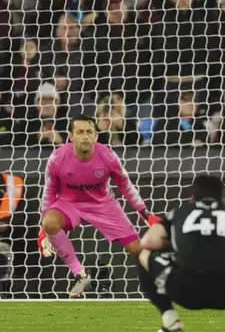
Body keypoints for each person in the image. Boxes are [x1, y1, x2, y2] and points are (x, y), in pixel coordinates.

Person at [37, 114, 161, 297]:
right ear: (71, 135)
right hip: (69, 204)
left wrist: (145, 213)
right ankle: (80, 274)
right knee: (50, 223)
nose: (85, 136)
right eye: (80, 132)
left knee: (137, 249)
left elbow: (125, 186)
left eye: (89, 132)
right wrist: (42, 229)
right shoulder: (57, 158)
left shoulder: (108, 156)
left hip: (103, 204)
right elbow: (49, 192)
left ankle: (166, 281)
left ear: (96, 135)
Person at [138, 175, 225, 332]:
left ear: (192, 197)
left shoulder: (179, 212)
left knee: (144, 255)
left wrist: (180, 245)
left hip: (184, 293)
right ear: (224, 197)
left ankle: (170, 320)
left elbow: (147, 242)